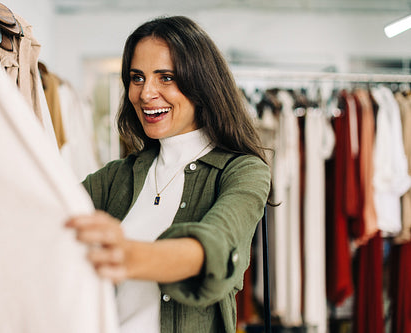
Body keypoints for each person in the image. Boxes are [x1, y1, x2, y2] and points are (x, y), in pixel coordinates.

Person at [65, 15, 271, 333]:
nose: (146, 93)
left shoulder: (242, 172)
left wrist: (130, 255)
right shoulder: (115, 178)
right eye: (137, 77)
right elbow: (48, 212)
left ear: (201, 83)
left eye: (166, 78)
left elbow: (215, 246)